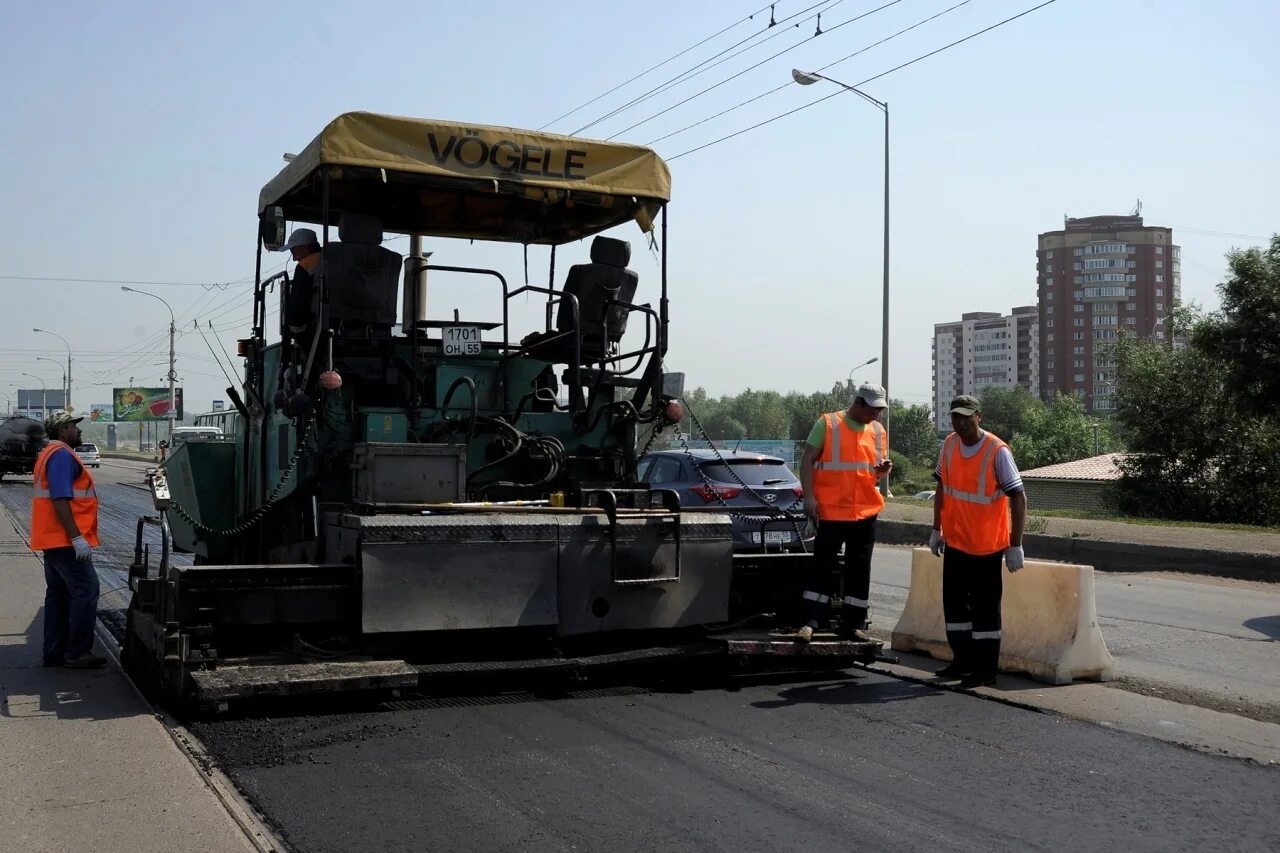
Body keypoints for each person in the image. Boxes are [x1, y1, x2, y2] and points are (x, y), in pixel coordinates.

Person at [929, 394, 1027, 689]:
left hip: (987, 548)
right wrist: (937, 529)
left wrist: (1015, 544)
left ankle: (985, 670)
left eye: (966, 417)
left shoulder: (997, 451)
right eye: (955, 417)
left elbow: (1019, 498)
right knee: (956, 608)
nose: (960, 423)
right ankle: (962, 661)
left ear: (978, 416)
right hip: (957, 543)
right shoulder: (948, 445)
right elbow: (942, 488)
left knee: (985, 611)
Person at [796, 382, 893, 642]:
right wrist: (809, 498)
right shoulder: (828, 424)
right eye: (873, 409)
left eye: (880, 410)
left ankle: (853, 624)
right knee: (823, 566)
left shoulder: (878, 430)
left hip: (865, 511)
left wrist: (883, 469)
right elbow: (807, 460)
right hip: (831, 511)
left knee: (860, 569)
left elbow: (873, 469)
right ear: (858, 402)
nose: (877, 415)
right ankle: (811, 621)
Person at [30, 411, 104, 668]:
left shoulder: (48, 454)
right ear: (63, 430)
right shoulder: (61, 455)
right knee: (87, 590)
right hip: (65, 541)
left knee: (59, 595)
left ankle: (54, 652)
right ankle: (78, 653)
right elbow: (60, 499)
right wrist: (76, 538)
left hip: (52, 540)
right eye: (74, 426)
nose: (79, 431)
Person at [279, 227, 322, 341]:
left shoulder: (304, 267)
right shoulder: (337, 258)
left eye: (294, 252)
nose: (293, 259)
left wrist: (295, 333)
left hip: (316, 330)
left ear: (306, 248)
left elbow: (297, 306)